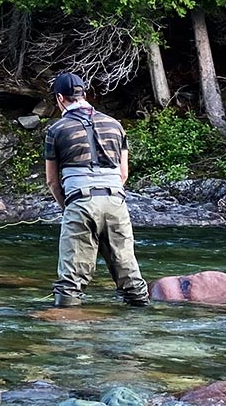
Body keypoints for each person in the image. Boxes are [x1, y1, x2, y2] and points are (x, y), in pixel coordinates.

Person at [42, 72, 150, 307]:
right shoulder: (115, 125)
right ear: (84, 94)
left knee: (71, 281)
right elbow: (123, 174)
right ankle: (142, 324)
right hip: (115, 201)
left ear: (60, 98)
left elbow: (52, 182)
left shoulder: (57, 130)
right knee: (129, 274)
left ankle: (68, 331)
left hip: (80, 202)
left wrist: (69, 208)